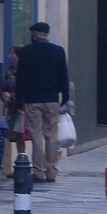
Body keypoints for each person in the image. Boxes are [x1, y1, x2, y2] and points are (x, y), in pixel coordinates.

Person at [14, 22, 71, 183]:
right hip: (52, 100)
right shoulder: (58, 51)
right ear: (46, 34)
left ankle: (38, 171)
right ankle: (51, 171)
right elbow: (63, 76)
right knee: (51, 136)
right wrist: (65, 98)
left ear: (35, 34)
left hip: (33, 100)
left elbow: (21, 79)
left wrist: (19, 102)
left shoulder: (27, 51)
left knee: (36, 135)